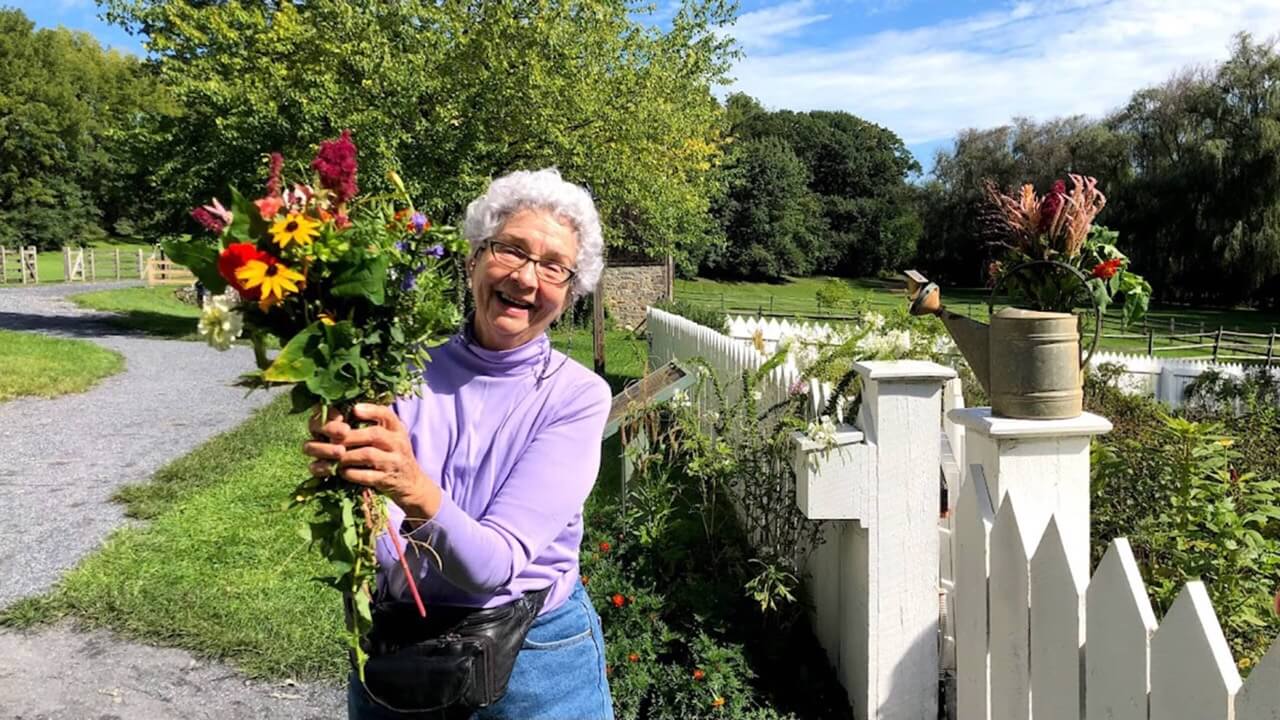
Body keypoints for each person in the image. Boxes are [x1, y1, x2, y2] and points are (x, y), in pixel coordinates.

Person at [303, 168, 614, 719]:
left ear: (568, 293)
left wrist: (408, 485)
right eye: (511, 250)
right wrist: (350, 475)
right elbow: (378, 543)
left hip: (534, 660)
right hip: (401, 645)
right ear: (473, 258)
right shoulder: (398, 370)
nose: (526, 278)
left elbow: (493, 567)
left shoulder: (577, 397)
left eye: (553, 267)